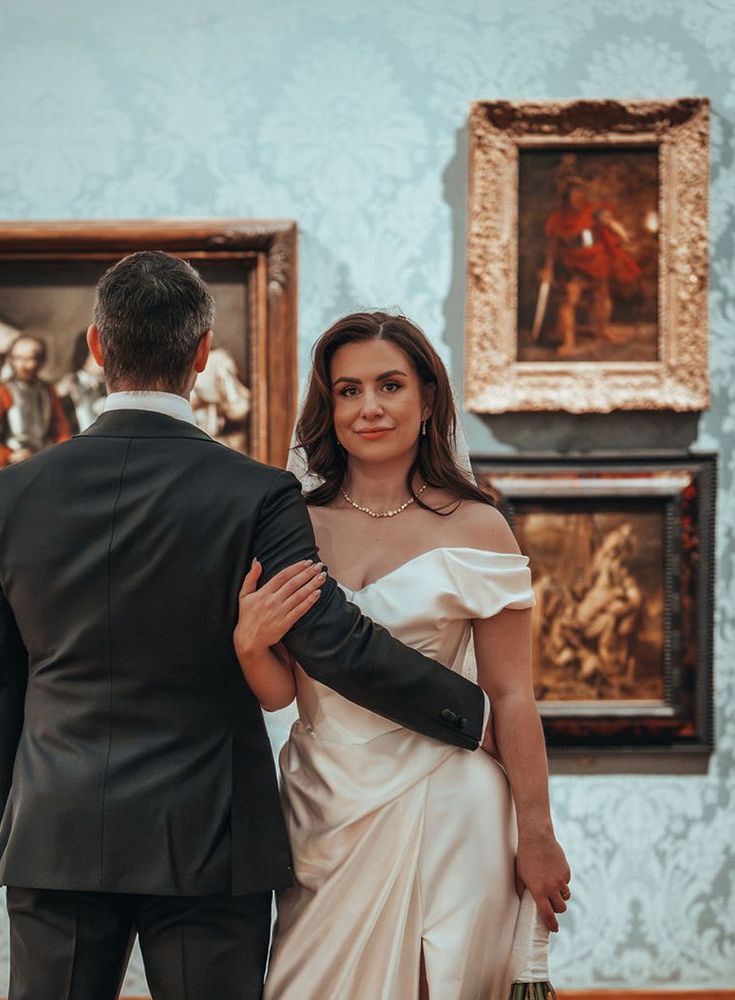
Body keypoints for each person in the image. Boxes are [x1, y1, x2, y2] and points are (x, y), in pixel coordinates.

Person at [0, 253, 494, 1000]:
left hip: (56, 826)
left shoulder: (12, 492)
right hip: (209, 830)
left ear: (96, 347)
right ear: (203, 352)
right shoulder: (257, 493)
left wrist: (16, 814)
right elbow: (331, 641)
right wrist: (473, 712)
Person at [233, 312, 571, 1000]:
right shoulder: (293, 525)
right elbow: (280, 694)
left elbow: (511, 695)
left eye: (389, 385)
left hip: (449, 801)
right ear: (328, 408)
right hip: (323, 805)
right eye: (348, 391)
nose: (370, 408)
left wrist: (537, 834)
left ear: (427, 399)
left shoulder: (478, 526)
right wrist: (248, 643)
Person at [539, 157, 641, 356]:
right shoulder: (557, 217)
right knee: (570, 299)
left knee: (601, 297)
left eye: (580, 192)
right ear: (566, 196)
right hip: (572, 262)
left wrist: (624, 236)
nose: (578, 196)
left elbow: (610, 223)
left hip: (596, 259)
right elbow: (552, 246)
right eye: (574, 193)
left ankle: (602, 330)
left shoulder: (593, 210)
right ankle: (569, 341)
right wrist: (548, 268)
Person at [0, 336, 72, 467]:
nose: (23, 365)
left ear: (41, 361)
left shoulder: (48, 391)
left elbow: (62, 431)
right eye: (18, 358)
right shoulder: (0, 392)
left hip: (45, 461)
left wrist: (58, 454)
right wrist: (8, 455)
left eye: (30, 358)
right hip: (12, 466)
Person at [56, 330, 108, 433]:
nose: (106, 359)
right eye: (98, 354)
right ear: (84, 355)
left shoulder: (112, 385)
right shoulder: (68, 385)